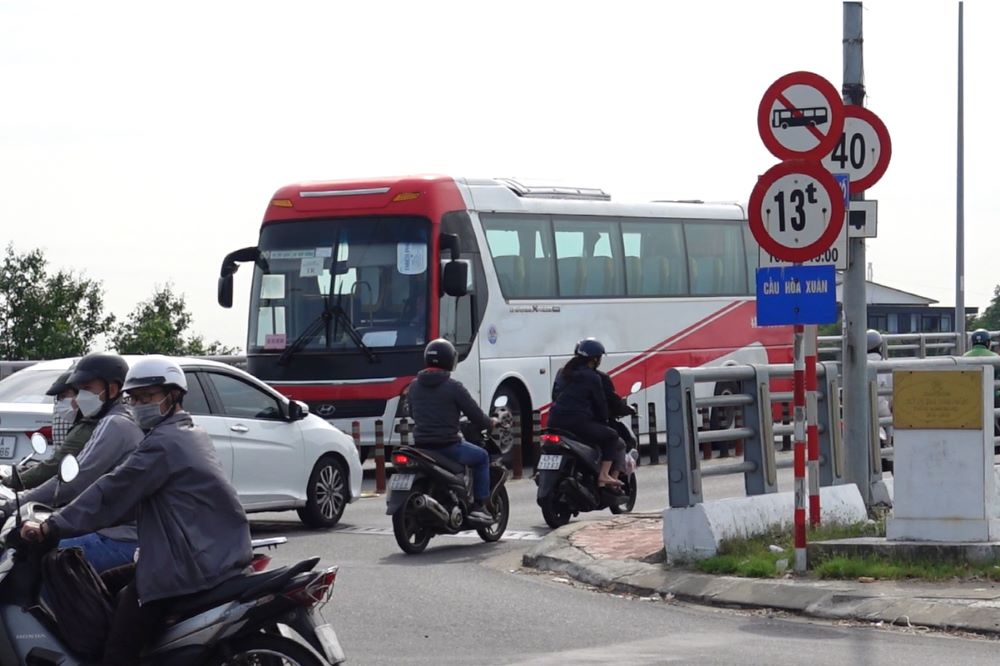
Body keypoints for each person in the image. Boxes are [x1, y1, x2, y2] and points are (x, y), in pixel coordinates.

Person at [21, 355, 253, 666]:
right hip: (207, 552)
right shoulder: (189, 433)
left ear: (172, 396)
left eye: (148, 397)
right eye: (136, 398)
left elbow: (110, 491)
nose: (140, 404)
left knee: (118, 649)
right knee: (106, 584)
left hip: (189, 562)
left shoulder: (162, 444)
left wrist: (52, 527)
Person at [5, 353, 143, 573]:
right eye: (77, 391)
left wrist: (15, 503)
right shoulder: (116, 420)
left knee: (37, 561)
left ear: (113, 390)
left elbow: (73, 481)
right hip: (115, 531)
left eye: (87, 388)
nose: (78, 399)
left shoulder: (117, 425)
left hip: (121, 538)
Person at [407, 338, 497, 523]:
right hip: (448, 446)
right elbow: (476, 416)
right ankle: (479, 506)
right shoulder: (453, 387)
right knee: (482, 457)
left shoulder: (414, 386)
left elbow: (412, 413)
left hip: (421, 446)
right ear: (450, 360)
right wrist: (491, 423)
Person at [2, 370, 97, 491]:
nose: (60, 403)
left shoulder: (87, 428)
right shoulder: (84, 424)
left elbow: (54, 465)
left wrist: (10, 482)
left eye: (64, 396)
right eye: (58, 399)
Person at [548, 338, 624, 489]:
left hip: (554, 421)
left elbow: (554, 396)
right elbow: (600, 404)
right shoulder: (592, 377)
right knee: (612, 436)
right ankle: (604, 475)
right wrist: (604, 421)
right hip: (577, 424)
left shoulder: (562, 373)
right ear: (595, 359)